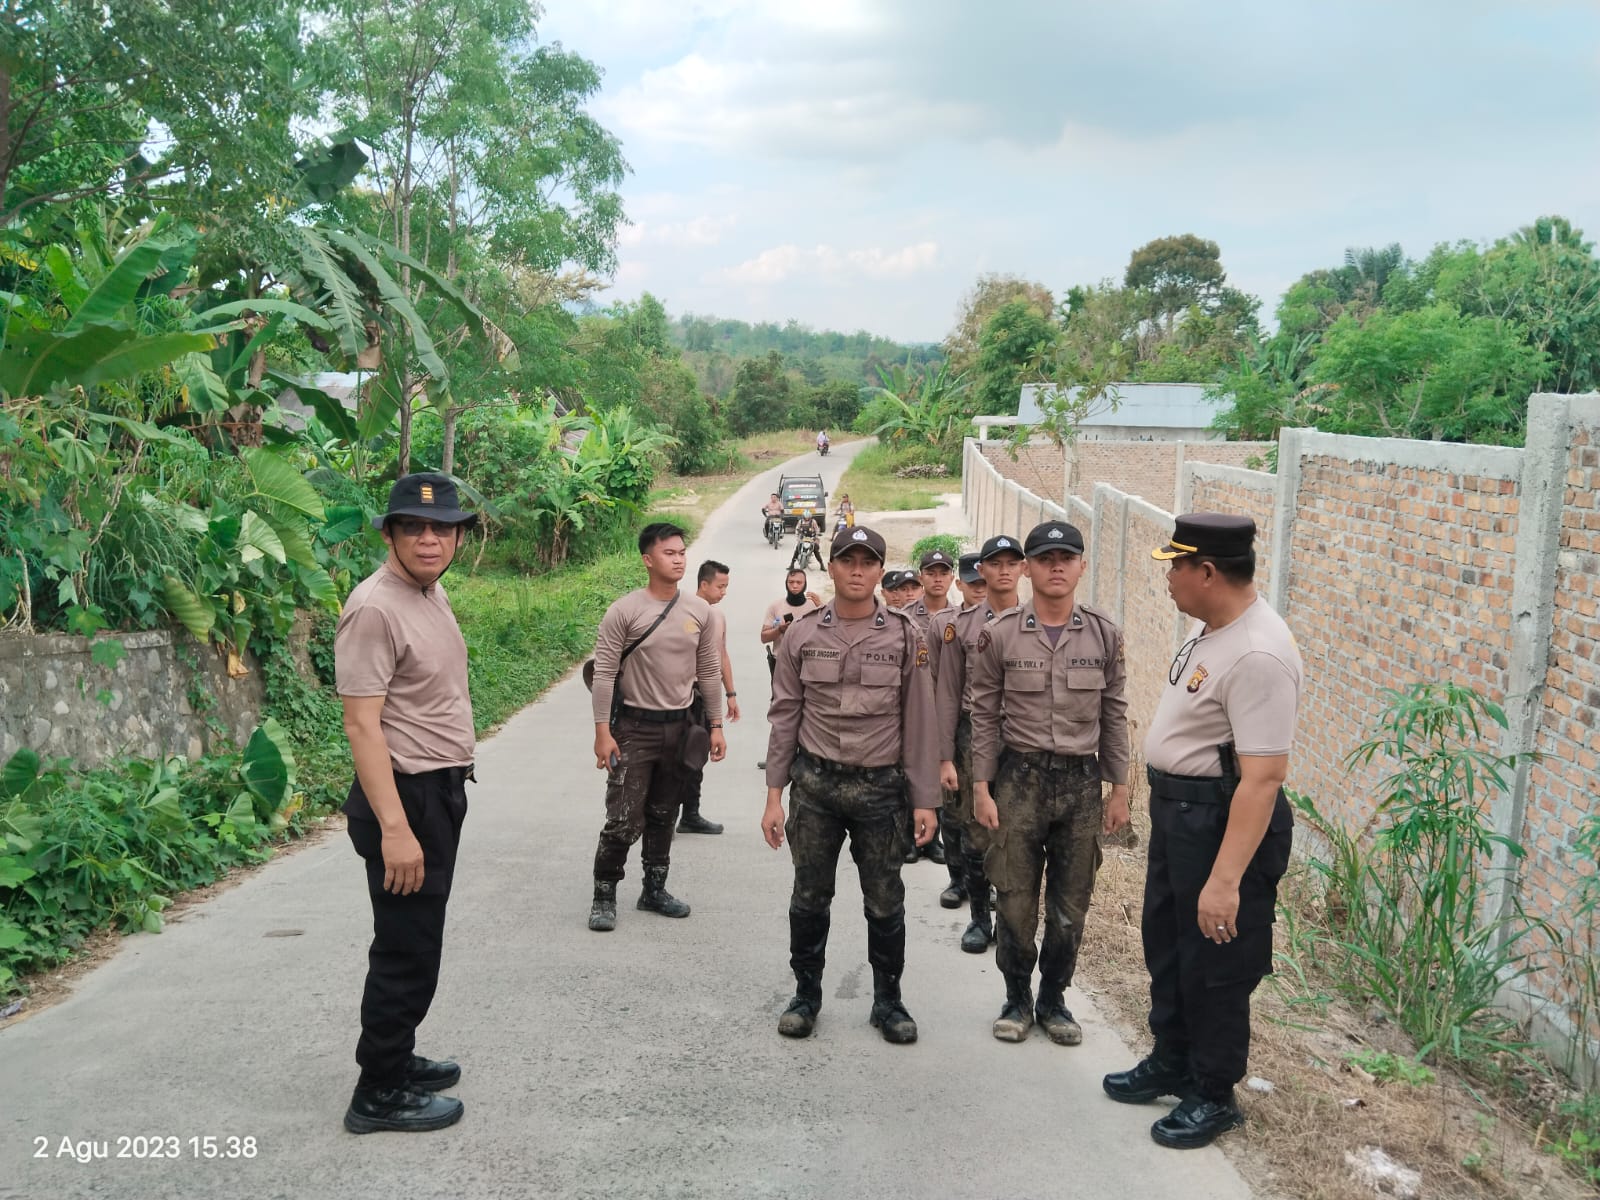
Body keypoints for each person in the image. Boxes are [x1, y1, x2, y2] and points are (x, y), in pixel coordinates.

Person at [1102, 513, 1301, 1151]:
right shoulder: (1212, 628)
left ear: (1207, 572)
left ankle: (1214, 1092)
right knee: (1169, 944)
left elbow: (1263, 779)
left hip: (1219, 823)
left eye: (1174, 566)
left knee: (1217, 959)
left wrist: (1225, 881)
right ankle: (1172, 1059)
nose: (1167, 578)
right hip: (1180, 813)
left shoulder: (1260, 651)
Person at [335, 472, 479, 1134]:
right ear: (389, 533)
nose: (430, 538)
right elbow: (363, 726)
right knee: (405, 947)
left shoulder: (428, 591)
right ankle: (378, 1091)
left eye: (442, 528)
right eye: (414, 527)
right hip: (404, 797)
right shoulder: (375, 607)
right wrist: (396, 829)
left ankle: (396, 1055)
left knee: (419, 939)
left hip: (437, 790)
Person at [762, 525, 940, 1045]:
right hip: (815, 787)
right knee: (809, 897)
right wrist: (774, 796)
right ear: (832, 567)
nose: (857, 570)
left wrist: (925, 799)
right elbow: (784, 718)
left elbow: (921, 722)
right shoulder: (801, 633)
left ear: (881, 572)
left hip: (880, 791)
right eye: (847, 560)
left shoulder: (907, 636)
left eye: (867, 562)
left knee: (885, 901)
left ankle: (889, 1002)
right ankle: (805, 995)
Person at [969, 521, 1130, 1048]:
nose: (1056, 566)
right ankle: (1016, 998)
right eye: (1044, 557)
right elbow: (985, 715)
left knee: (1070, 905)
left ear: (1082, 565)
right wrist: (980, 786)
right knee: (1014, 898)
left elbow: (1114, 713)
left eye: (1067, 556)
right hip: (1019, 778)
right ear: (1029, 567)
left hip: (1081, 784)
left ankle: (1054, 999)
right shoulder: (1002, 633)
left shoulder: (1104, 634)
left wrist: (1120, 787)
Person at [587, 523, 727, 932]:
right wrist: (602, 731)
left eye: (682, 551)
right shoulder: (625, 611)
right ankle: (604, 895)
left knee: (665, 812)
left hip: (680, 728)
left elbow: (708, 670)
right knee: (625, 817)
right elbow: (604, 675)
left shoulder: (700, 612)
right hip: (634, 727)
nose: (679, 558)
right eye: (669, 553)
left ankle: (654, 890)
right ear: (648, 560)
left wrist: (715, 724)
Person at [935, 536, 1022, 952]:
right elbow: (948, 693)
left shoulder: (1039, 619)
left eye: (1012, 562)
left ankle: (1012, 920)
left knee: (1019, 830)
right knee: (974, 830)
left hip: (1024, 736)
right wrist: (945, 755)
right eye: (995, 563)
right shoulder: (964, 627)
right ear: (981, 572)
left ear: (1023, 569)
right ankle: (979, 919)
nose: (1004, 570)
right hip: (974, 733)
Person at [677, 560, 741, 836]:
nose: (724, 592)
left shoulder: (718, 616)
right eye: (720, 586)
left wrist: (731, 693)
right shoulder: (682, 611)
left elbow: (721, 654)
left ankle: (690, 814)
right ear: (704, 584)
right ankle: (662, 817)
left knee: (697, 754)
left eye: (726, 586)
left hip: (707, 695)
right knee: (672, 756)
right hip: (681, 695)